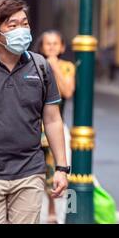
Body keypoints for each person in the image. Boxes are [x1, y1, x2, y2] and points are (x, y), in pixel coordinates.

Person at [0, 0, 69, 224]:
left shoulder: (40, 66)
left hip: (29, 172)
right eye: (12, 25)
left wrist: (61, 168)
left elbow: (53, 120)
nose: (21, 30)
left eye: (24, 23)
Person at [34, 30, 75, 223]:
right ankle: (41, 216)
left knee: (60, 174)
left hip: (56, 128)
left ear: (62, 47)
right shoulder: (33, 65)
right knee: (38, 176)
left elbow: (67, 91)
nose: (51, 47)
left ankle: (58, 216)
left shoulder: (67, 67)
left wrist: (54, 67)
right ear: (41, 47)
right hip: (35, 128)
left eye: (55, 43)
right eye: (47, 44)